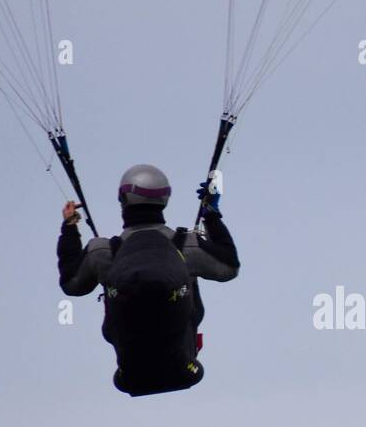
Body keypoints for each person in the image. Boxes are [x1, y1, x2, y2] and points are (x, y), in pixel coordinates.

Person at [57, 164, 239, 395]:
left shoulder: (102, 252)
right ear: (165, 199)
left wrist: (70, 227)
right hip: (183, 369)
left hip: (130, 377)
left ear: (122, 200)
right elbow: (229, 267)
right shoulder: (186, 246)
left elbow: (71, 284)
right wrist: (211, 214)